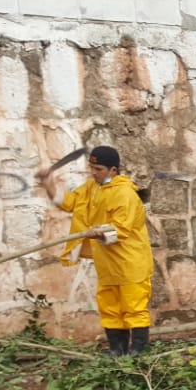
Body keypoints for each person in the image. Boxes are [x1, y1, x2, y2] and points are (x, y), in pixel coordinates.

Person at [40, 146, 153, 356]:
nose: (93, 172)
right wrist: (49, 183)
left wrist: (99, 232)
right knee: (109, 308)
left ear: (113, 170)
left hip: (130, 264)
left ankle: (138, 353)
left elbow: (121, 229)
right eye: (91, 167)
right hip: (107, 263)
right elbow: (69, 203)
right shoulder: (92, 187)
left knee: (134, 308)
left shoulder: (125, 194)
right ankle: (116, 351)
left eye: (98, 169)